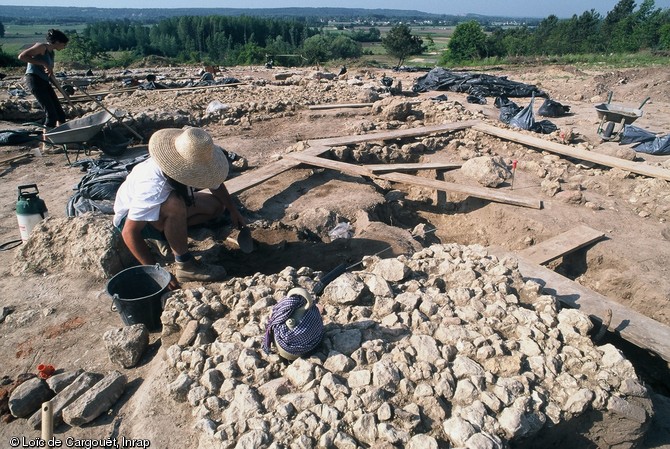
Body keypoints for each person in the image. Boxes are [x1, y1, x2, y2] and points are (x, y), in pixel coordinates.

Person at [113, 127, 245, 286]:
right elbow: (129, 232)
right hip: (133, 221)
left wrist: (233, 211)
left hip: (157, 211)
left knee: (216, 206)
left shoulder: (191, 158)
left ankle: (169, 234)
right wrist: (156, 271)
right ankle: (185, 265)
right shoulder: (153, 186)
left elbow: (216, 185)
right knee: (174, 204)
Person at [18, 29, 69, 130]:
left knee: (60, 114)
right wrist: (43, 63)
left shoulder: (51, 53)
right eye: (64, 44)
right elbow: (22, 57)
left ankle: (62, 136)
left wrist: (61, 90)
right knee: (51, 115)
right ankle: (47, 143)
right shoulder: (41, 47)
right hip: (34, 80)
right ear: (57, 42)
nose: (64, 47)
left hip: (44, 81)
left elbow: (49, 74)